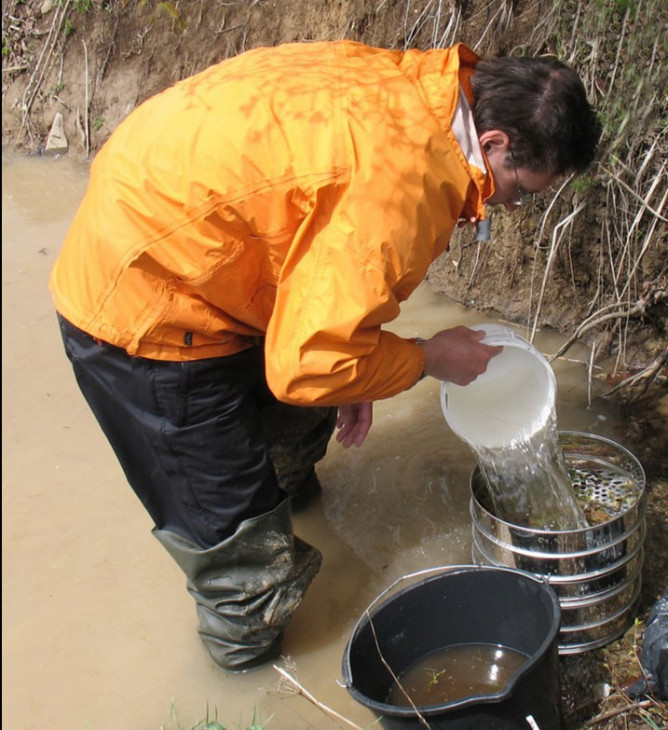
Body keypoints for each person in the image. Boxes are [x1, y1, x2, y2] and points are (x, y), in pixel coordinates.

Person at [49, 39, 601, 671]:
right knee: (246, 572)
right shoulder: (406, 183)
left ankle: (284, 504)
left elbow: (332, 234)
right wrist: (425, 358)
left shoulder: (421, 91)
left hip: (199, 231)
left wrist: (360, 352)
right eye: (521, 189)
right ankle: (244, 663)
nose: (513, 205)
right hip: (144, 304)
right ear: (496, 142)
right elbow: (307, 364)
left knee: (301, 423)